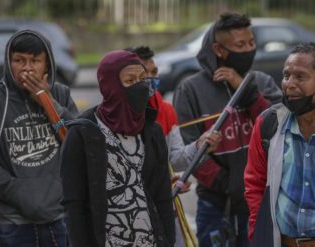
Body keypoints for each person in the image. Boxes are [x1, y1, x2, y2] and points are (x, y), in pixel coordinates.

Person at [173, 12, 282, 246]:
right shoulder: (190, 90)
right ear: (219, 50)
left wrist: (244, 88)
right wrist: (230, 183)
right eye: (240, 45)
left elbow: (277, 128)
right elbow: (189, 147)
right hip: (214, 204)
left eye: (251, 43)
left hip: (259, 200)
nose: (248, 49)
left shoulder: (262, 82)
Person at [0, 30, 79, 246]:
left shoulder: (61, 94)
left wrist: (48, 102)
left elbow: (78, 145)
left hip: (59, 217)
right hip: (11, 222)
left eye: (35, 61)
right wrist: (19, 193)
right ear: (8, 62)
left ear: (47, 65)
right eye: (19, 60)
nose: (27, 68)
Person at [60, 50, 175, 247]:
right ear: (110, 86)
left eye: (142, 79)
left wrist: (168, 241)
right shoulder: (82, 133)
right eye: (130, 81)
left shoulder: (153, 131)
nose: (140, 86)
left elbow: (163, 196)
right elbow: (74, 205)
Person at [126, 45, 222, 247]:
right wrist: (160, 182)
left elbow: (175, 159)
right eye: (144, 74)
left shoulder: (165, 110)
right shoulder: (110, 117)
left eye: (154, 73)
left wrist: (199, 145)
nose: (151, 79)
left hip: (165, 211)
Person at [245, 43, 315, 247]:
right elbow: (255, 185)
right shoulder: (269, 123)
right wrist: (259, 235)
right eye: (286, 76)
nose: (289, 84)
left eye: (300, 77)